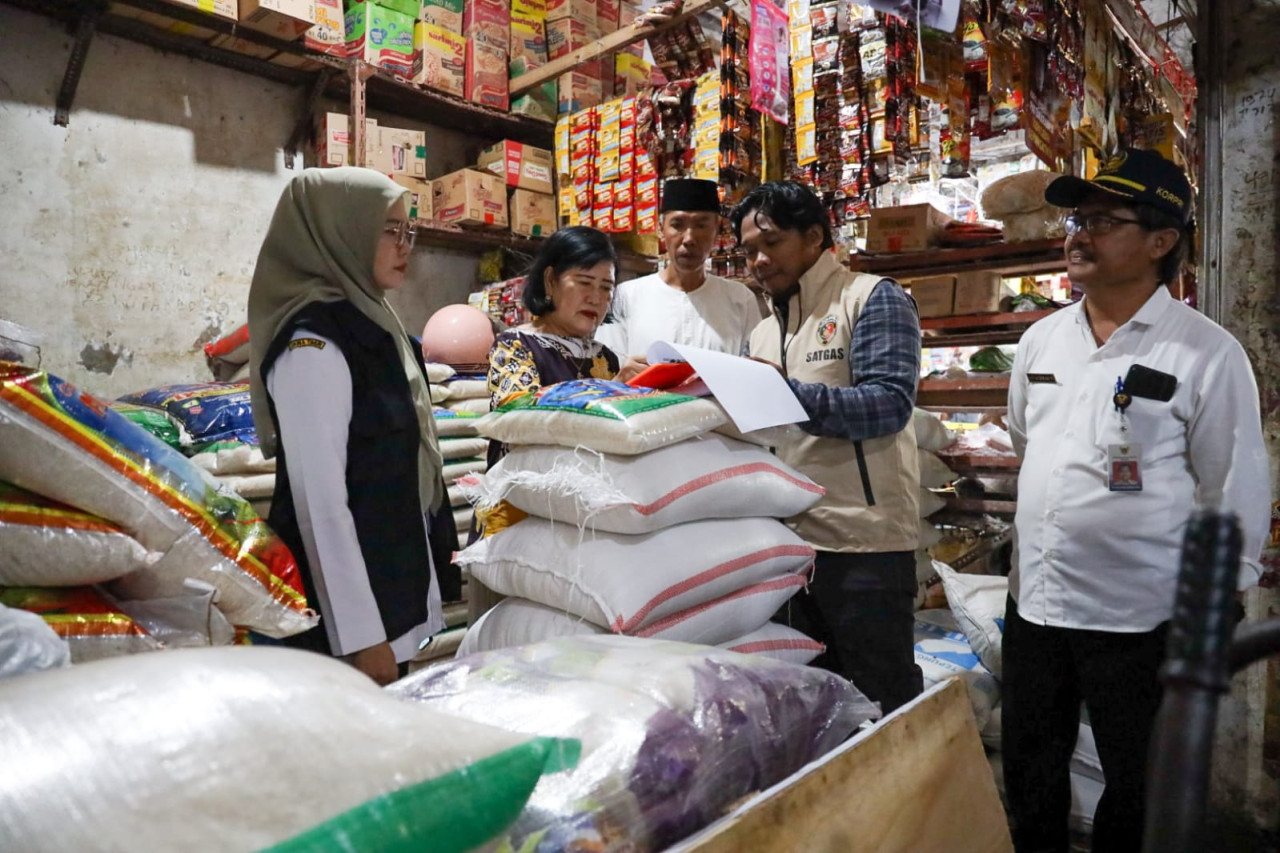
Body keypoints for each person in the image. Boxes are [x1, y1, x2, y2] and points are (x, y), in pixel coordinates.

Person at [1003, 147, 1271, 853]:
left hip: (1142, 613)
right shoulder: (1040, 340)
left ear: (1160, 241)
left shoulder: (1205, 353)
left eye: (1101, 220)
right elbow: (1027, 443)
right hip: (1036, 600)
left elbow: (1233, 485)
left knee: (1139, 782)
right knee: (1031, 766)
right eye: (1075, 218)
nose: (1077, 234)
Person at [247, 167, 451, 686]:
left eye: (410, 231)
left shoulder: (375, 324)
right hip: (336, 633)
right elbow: (322, 506)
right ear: (340, 230)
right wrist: (362, 639)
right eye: (390, 230)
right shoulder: (312, 344)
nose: (406, 246)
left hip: (382, 596)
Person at [732, 181, 924, 714]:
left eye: (770, 243)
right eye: (748, 251)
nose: (759, 261)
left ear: (814, 236)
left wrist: (781, 393)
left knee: (881, 698)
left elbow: (887, 404)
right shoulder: (763, 334)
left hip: (864, 545)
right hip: (788, 549)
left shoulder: (871, 297)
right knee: (810, 703)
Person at [596, 178, 761, 358]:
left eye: (701, 225)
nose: (689, 238)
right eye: (677, 225)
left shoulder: (740, 300)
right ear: (661, 229)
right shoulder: (626, 297)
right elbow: (609, 372)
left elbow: (751, 371)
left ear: (717, 229)